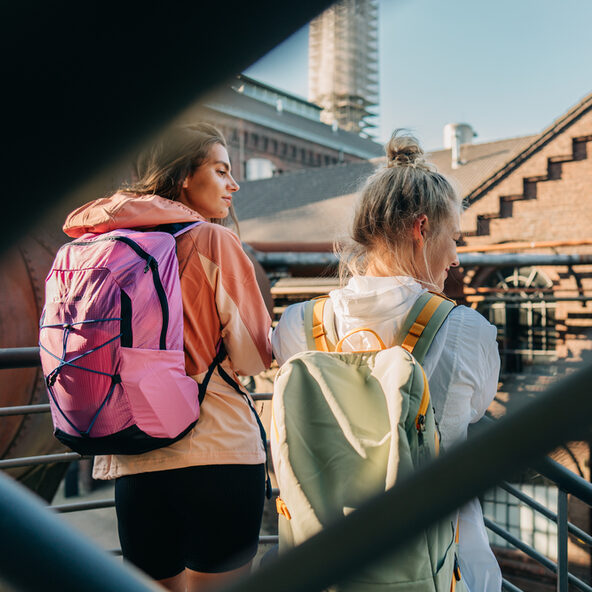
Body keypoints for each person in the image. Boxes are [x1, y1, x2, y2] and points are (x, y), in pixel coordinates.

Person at [271, 131, 502, 591]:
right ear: (421, 229)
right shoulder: (468, 330)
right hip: (442, 558)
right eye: (452, 238)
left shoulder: (298, 324)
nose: (456, 257)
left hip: (327, 557)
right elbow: (473, 410)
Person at [62, 123, 273, 591]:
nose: (232, 184)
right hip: (218, 451)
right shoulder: (214, 241)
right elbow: (254, 356)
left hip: (134, 456)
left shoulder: (98, 244)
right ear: (183, 177)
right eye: (220, 171)